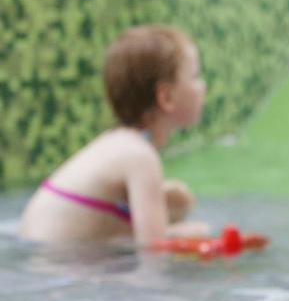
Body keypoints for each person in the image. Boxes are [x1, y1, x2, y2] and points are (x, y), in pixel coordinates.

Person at [19, 25, 208, 245]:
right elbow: (154, 249)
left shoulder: (120, 144)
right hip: (55, 263)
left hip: (40, 251)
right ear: (166, 97)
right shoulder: (141, 156)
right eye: (195, 76)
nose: (202, 86)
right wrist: (189, 235)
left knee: (179, 204)